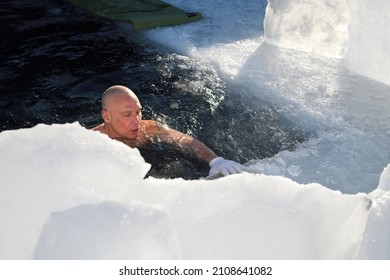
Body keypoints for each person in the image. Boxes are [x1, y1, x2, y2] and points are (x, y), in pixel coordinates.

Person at [92, 85, 246, 177]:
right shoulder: (92, 141)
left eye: (138, 112)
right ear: (107, 116)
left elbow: (184, 140)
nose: (136, 120)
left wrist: (216, 161)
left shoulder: (149, 127)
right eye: (127, 115)